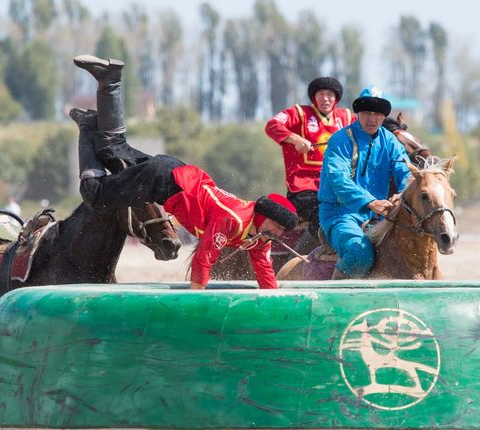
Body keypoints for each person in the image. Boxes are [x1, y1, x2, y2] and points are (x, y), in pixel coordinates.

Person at [71, 54, 298, 290]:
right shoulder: (233, 219)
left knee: (112, 149)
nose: (278, 234)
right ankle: (88, 125)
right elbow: (204, 258)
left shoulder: (260, 238)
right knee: (94, 195)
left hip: (173, 172)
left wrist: (273, 297)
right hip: (164, 181)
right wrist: (196, 299)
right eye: (278, 226)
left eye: (282, 230)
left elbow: (263, 268)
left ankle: (110, 79)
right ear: (265, 216)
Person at [318, 85, 411, 279]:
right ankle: (335, 300)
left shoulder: (391, 141)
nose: (372, 118)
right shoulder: (340, 140)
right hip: (340, 214)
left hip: (380, 215)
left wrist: (403, 192)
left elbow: (406, 171)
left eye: (377, 114)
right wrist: (370, 202)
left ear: (383, 116)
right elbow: (338, 180)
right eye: (367, 113)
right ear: (358, 113)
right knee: (360, 254)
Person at [265, 76, 355, 254]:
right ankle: (299, 258)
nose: (325, 98)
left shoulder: (345, 117)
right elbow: (272, 125)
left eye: (330, 94)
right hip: (303, 188)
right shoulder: (299, 113)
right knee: (325, 212)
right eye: (321, 94)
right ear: (314, 97)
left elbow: (367, 131)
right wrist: (295, 138)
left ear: (336, 98)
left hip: (337, 184)